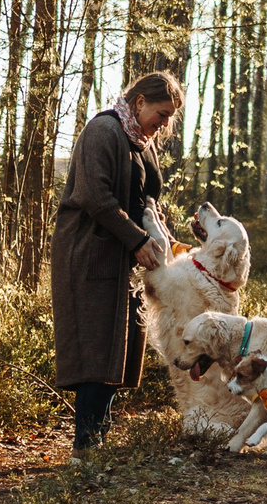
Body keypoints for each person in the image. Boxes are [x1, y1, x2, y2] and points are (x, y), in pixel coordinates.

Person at [50, 70, 182, 456]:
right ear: (139, 102)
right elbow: (96, 197)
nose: (164, 123)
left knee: (120, 352)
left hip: (123, 257)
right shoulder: (103, 132)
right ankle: (85, 448)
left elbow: (146, 202)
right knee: (96, 351)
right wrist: (137, 240)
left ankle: (98, 443)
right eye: (161, 113)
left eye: (170, 116)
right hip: (88, 255)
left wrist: (163, 237)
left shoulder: (141, 142)